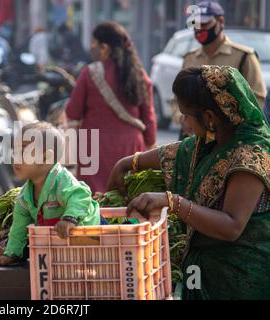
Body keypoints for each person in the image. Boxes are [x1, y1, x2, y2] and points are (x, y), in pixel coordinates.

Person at [108, 65, 270, 300]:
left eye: (186, 115)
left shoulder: (250, 156)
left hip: (241, 276)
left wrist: (173, 202)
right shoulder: (214, 141)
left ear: (210, 117)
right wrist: (126, 164)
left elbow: (231, 226)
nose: (182, 122)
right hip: (205, 266)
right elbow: (175, 152)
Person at [0, 122, 101, 266]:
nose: (15, 158)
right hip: (58, 241)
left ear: (45, 158)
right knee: (24, 244)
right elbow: (18, 228)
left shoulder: (61, 180)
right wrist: (11, 254)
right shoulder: (25, 196)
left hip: (88, 231)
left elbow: (80, 195)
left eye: (23, 152)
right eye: (15, 152)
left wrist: (70, 219)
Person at [65, 22, 157, 194]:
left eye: (93, 43)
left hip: (94, 148)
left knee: (93, 202)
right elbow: (149, 117)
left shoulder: (89, 73)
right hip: (131, 147)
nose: (91, 47)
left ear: (104, 47)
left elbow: (73, 112)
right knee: (128, 198)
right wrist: (150, 144)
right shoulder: (139, 73)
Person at [177, 1, 267, 138]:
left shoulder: (244, 56)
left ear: (221, 21)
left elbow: (257, 99)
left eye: (205, 23)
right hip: (194, 137)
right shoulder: (189, 58)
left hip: (232, 138)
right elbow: (178, 97)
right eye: (195, 24)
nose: (199, 29)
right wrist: (182, 118)